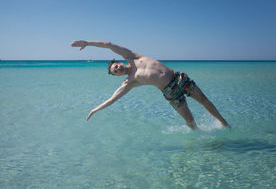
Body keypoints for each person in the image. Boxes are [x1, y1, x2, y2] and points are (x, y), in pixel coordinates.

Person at [71, 40, 229, 130]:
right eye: (115, 71)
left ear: (119, 61)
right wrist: (94, 109)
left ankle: (224, 124)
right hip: (170, 92)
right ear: (117, 75)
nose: (118, 69)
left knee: (204, 100)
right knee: (189, 120)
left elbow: (109, 44)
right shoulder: (130, 82)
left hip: (178, 78)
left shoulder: (132, 56)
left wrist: (88, 43)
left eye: (116, 66)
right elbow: (113, 99)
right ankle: (199, 137)